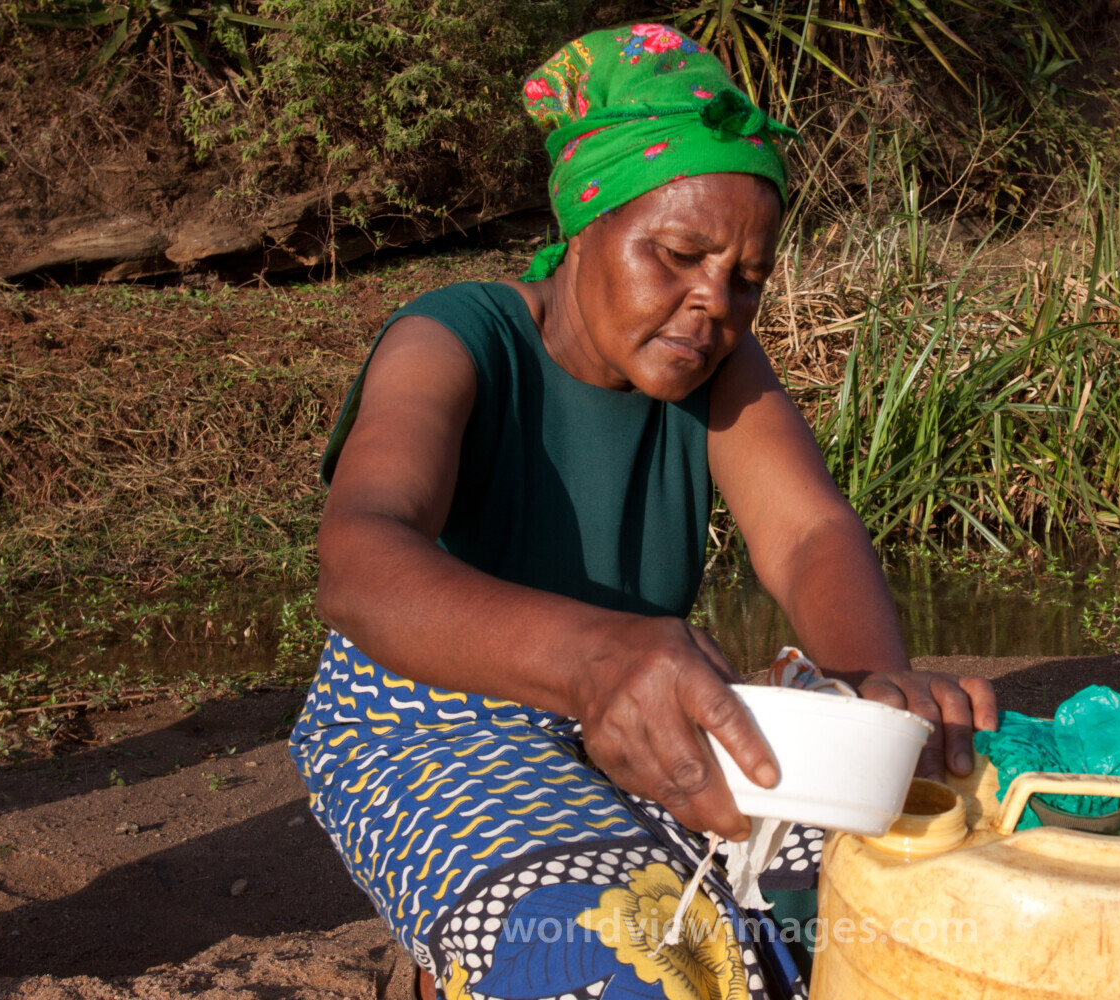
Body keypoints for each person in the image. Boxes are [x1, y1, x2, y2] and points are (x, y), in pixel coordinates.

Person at [289, 23, 997, 1000]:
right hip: (428, 713)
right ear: (587, 224)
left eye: (746, 277)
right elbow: (359, 561)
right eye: (678, 254)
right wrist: (595, 657)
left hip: (636, 699)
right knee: (629, 961)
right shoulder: (457, 337)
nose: (715, 302)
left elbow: (809, 534)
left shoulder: (717, 369)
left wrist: (869, 686)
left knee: (881, 900)